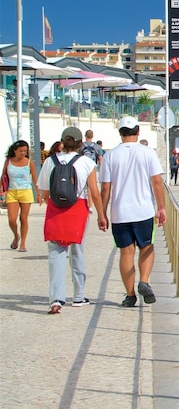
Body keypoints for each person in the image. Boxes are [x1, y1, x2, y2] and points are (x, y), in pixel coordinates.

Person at [37, 126, 107, 314]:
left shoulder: (50, 162)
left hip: (55, 210)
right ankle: (78, 296)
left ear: (62, 142)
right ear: (80, 143)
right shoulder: (86, 163)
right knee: (77, 251)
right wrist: (101, 215)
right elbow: (94, 193)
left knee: (56, 255)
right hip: (78, 210)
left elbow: (44, 192)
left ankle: (56, 299)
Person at [100, 116, 166, 308]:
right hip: (143, 211)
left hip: (119, 212)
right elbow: (156, 182)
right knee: (147, 247)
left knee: (126, 253)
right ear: (138, 131)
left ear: (120, 133)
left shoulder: (110, 155)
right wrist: (161, 207)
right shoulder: (147, 153)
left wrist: (102, 214)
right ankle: (144, 281)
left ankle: (130, 296)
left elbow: (106, 188)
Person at [5, 140, 43, 252]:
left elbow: (35, 179)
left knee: (23, 218)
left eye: (25, 151)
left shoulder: (28, 162)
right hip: (12, 192)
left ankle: (23, 243)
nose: (23, 153)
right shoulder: (8, 161)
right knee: (12, 219)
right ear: (14, 151)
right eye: (20, 151)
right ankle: (16, 236)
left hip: (26, 192)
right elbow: (3, 176)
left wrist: (39, 194)